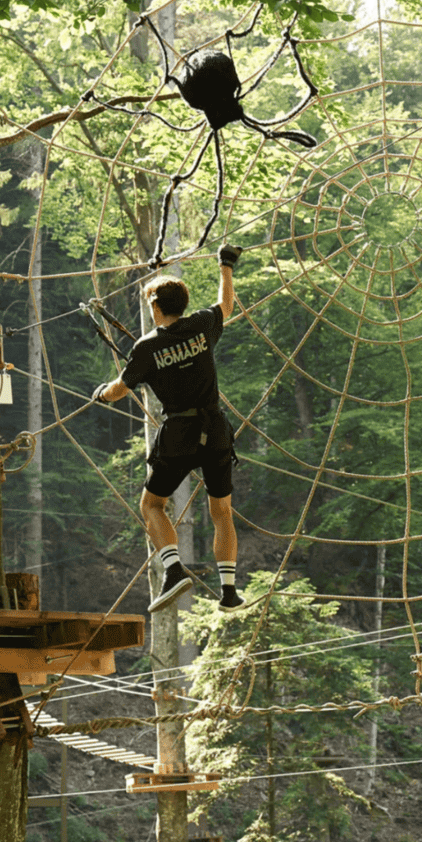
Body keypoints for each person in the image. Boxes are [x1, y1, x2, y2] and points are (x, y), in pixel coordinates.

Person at [93, 245, 243, 613]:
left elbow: (118, 390)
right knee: (222, 511)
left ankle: (173, 570)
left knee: (152, 504)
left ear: (156, 307)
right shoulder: (203, 325)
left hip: (180, 434)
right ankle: (228, 591)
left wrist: (100, 394)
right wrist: (225, 266)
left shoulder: (147, 347)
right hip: (216, 428)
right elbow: (227, 305)